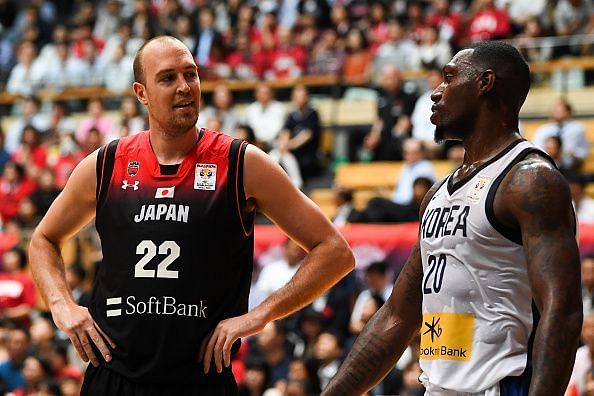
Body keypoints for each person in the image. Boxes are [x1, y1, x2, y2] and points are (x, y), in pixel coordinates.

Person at [29, 35, 354, 395]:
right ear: (142, 93)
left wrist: (260, 315)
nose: (185, 87)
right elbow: (43, 239)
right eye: (168, 78)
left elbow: (334, 251)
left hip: (201, 379)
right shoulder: (106, 164)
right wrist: (62, 304)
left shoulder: (242, 163)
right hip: (114, 377)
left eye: (192, 75)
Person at [322, 41, 582, 395]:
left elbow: (562, 311)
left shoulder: (530, 180)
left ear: (485, 83)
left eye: (448, 78)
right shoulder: (437, 193)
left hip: (501, 385)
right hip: (439, 386)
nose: (436, 93)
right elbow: (398, 315)